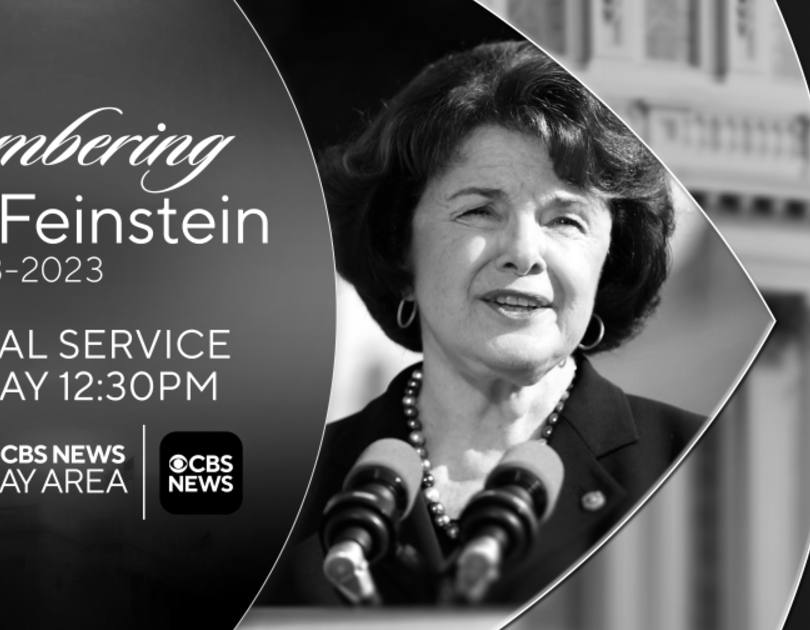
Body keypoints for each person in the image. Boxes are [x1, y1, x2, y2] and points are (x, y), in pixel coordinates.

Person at [258, 40, 702, 607]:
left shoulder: (710, 466)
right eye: (478, 210)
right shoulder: (280, 498)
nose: (523, 252)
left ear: (608, 261)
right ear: (400, 246)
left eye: (565, 219)